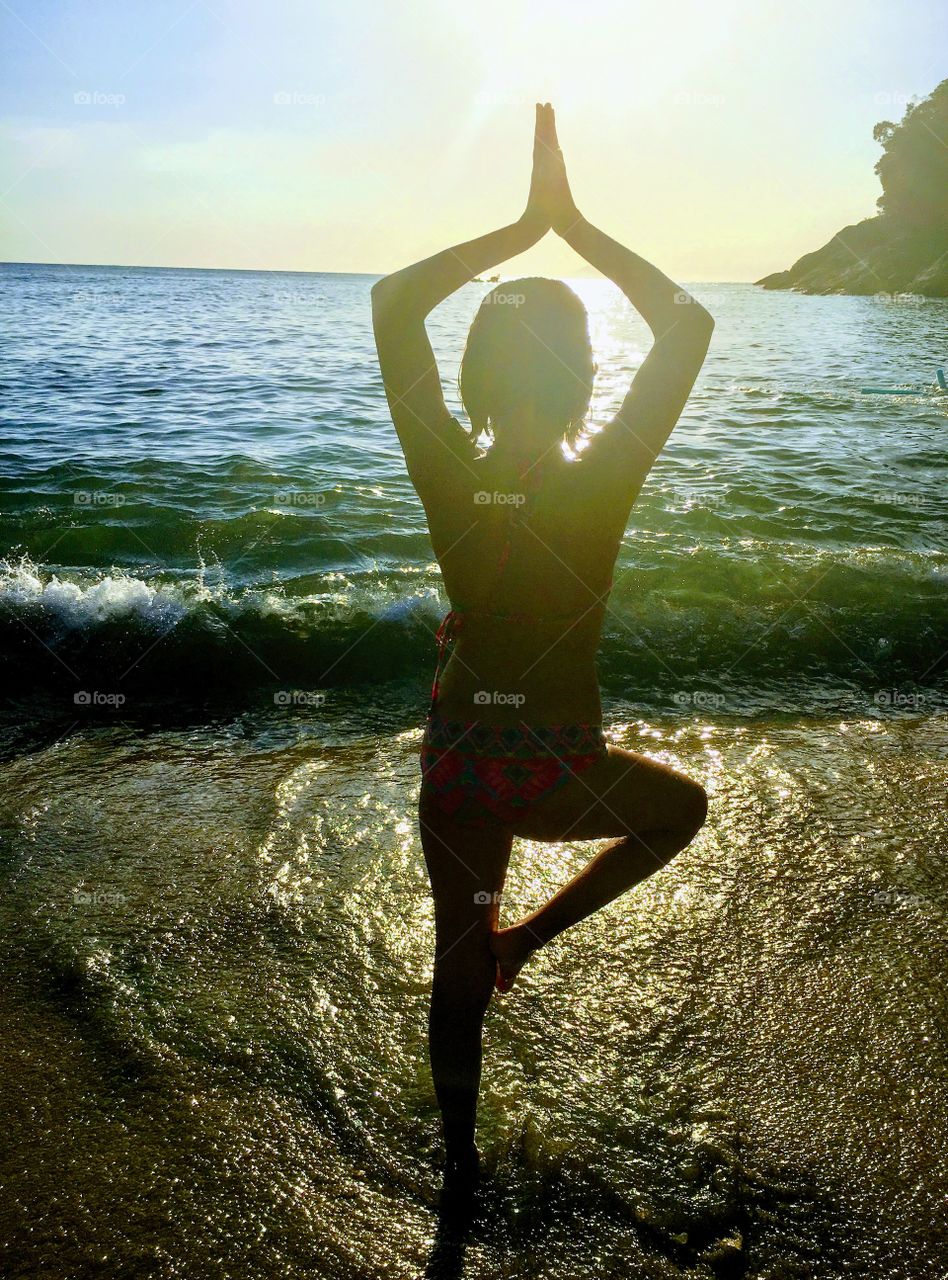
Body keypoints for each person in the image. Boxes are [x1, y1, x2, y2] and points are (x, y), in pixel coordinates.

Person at [372, 103, 713, 1186]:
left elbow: (390, 301)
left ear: (474, 375)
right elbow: (690, 327)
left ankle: (461, 1165)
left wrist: (520, 229)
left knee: (453, 962)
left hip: (464, 765)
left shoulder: (446, 472)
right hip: (561, 764)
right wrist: (576, 224)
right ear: (581, 379)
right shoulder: (601, 480)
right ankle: (531, 935)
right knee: (680, 811)